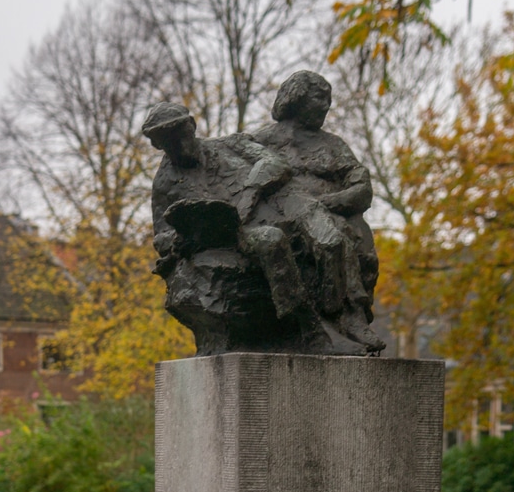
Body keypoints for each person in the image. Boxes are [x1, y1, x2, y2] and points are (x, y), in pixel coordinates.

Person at [142, 102, 364, 353]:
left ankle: (342, 317)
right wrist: (180, 238)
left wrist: (249, 190)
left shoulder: (230, 145)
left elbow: (276, 163)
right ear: (158, 146)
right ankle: (309, 329)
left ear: (192, 127)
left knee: (329, 240)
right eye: (170, 143)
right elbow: (160, 235)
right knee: (270, 240)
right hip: (228, 238)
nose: (180, 148)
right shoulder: (164, 183)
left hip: (271, 210)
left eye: (182, 137)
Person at [253, 70, 384, 353]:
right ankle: (341, 316)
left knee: (360, 237)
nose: (326, 105)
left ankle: (355, 316)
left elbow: (361, 186)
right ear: (296, 98)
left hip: (332, 211)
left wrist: (329, 203)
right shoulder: (260, 142)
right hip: (284, 216)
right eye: (319, 97)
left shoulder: (333, 145)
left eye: (329, 99)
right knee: (335, 235)